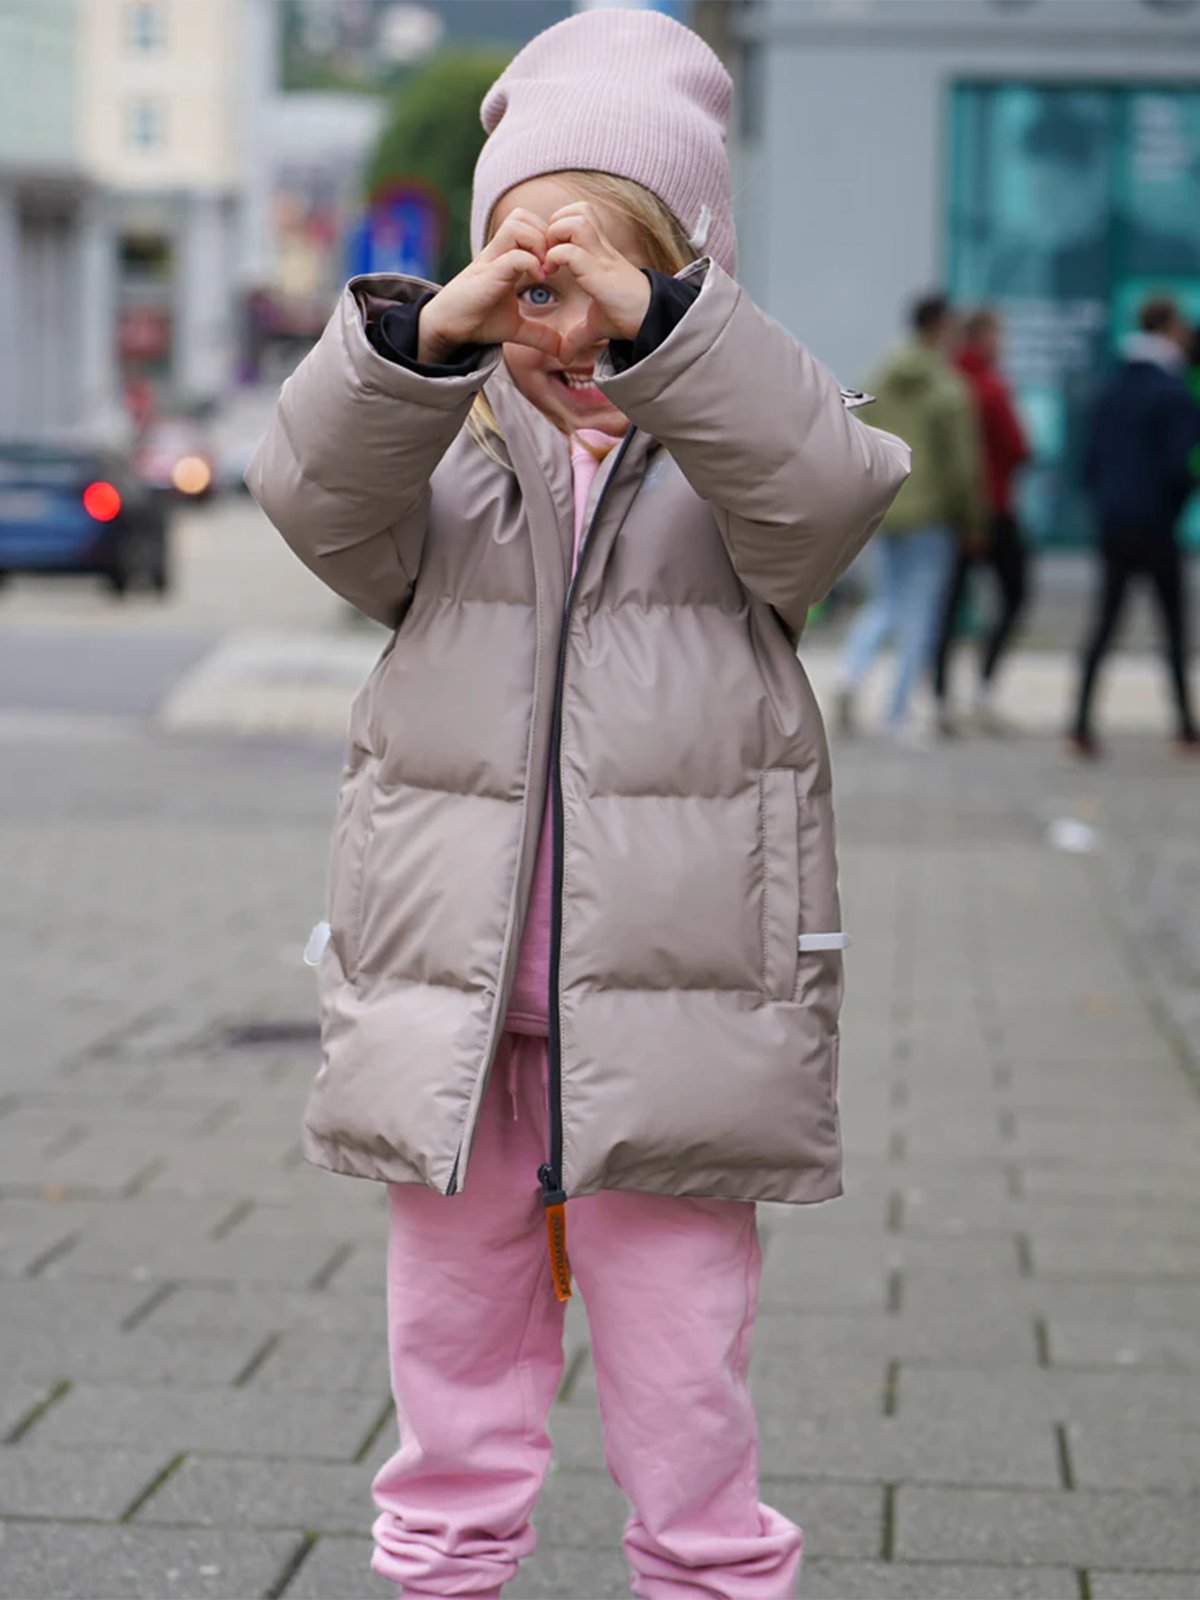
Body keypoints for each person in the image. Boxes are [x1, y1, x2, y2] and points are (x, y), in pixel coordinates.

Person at [246, 11, 910, 1598]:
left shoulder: (733, 469)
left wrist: (668, 336)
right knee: (452, 1393)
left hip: (677, 1029)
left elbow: (832, 491)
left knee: (684, 1396)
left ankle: (706, 1577)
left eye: (600, 275)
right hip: (458, 1032)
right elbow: (306, 491)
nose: (563, 322)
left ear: (684, 272)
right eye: (534, 275)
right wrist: (433, 335)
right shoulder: (445, 466)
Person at [836, 293, 983, 746]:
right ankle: (897, 714)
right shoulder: (947, 388)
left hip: (886, 507)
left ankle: (851, 674)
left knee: (886, 601)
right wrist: (972, 518)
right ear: (940, 327)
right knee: (921, 612)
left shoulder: (879, 376)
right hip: (931, 513)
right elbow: (961, 465)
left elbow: (854, 434)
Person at [1070, 296, 1200, 759]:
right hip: (1155, 523)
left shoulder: (1113, 384)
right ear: (1168, 327)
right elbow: (1179, 466)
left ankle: (1080, 724)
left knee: (1104, 623)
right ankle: (1185, 727)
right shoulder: (1173, 390)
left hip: (1114, 521)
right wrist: (1174, 506)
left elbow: (1090, 462)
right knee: (1173, 628)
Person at [933, 307, 1032, 734]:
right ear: (983, 340)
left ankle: (941, 696)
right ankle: (983, 687)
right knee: (1014, 594)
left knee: (948, 605)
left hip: (951, 510)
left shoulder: (945, 380)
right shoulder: (990, 387)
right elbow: (1017, 446)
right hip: (992, 507)